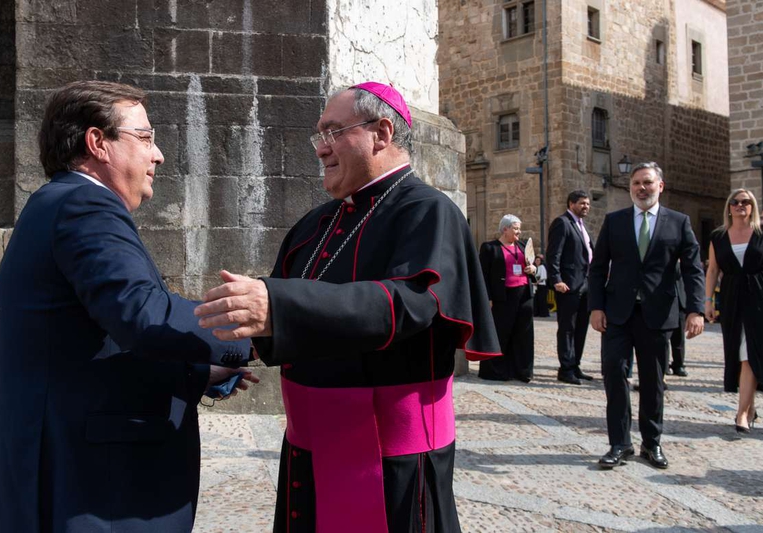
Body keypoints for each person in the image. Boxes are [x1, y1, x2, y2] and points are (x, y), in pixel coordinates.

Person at [195, 82, 500, 533]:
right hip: (308, 450)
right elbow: (281, 323)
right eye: (319, 135)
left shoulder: (430, 213)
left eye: (334, 132)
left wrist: (278, 306)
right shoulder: (314, 224)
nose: (321, 149)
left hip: (388, 460)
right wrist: (229, 360)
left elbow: (406, 305)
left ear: (382, 132)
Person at [0, 81, 254, 533]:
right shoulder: (85, 204)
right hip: (83, 490)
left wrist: (201, 372)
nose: (157, 154)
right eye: (144, 138)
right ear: (97, 142)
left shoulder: (57, 201)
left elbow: (85, 349)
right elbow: (143, 314)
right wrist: (250, 331)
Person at [589, 162, 704, 470]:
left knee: (653, 381)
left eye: (648, 183)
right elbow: (598, 268)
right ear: (630, 188)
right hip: (617, 314)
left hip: (658, 314)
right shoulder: (615, 221)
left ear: (660, 186)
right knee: (614, 373)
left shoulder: (678, 223)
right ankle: (619, 443)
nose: (642, 188)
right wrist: (596, 307)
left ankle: (651, 443)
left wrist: (696, 309)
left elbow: (693, 269)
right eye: (636, 183)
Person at [705, 189, 763, 435]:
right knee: (741, 351)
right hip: (731, 298)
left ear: (752, 206)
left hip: (762, 298)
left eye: (746, 202)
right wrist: (708, 301)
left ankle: (742, 413)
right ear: (729, 207)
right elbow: (712, 271)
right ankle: (749, 410)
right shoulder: (718, 236)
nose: (740, 205)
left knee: (748, 352)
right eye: (735, 202)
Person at [477, 215, 536, 382]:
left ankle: (522, 371)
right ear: (505, 229)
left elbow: (532, 266)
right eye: (515, 228)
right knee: (501, 334)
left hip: (524, 295)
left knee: (523, 335)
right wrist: (487, 297)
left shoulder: (523, 246)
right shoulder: (490, 248)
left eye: (519, 228)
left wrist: (533, 269)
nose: (519, 231)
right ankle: (496, 371)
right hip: (502, 297)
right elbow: (483, 275)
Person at [546, 190, 594, 385]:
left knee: (581, 327)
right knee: (567, 328)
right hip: (568, 285)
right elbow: (554, 254)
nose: (586, 207)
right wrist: (556, 279)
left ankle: (575, 365)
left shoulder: (581, 226)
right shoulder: (562, 223)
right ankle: (565, 369)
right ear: (571, 203)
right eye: (582, 203)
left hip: (585, 285)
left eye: (588, 204)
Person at [667, 262, 688, 376]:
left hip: (679, 300)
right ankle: (664, 365)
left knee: (679, 336)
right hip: (664, 300)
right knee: (663, 337)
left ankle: (679, 364)